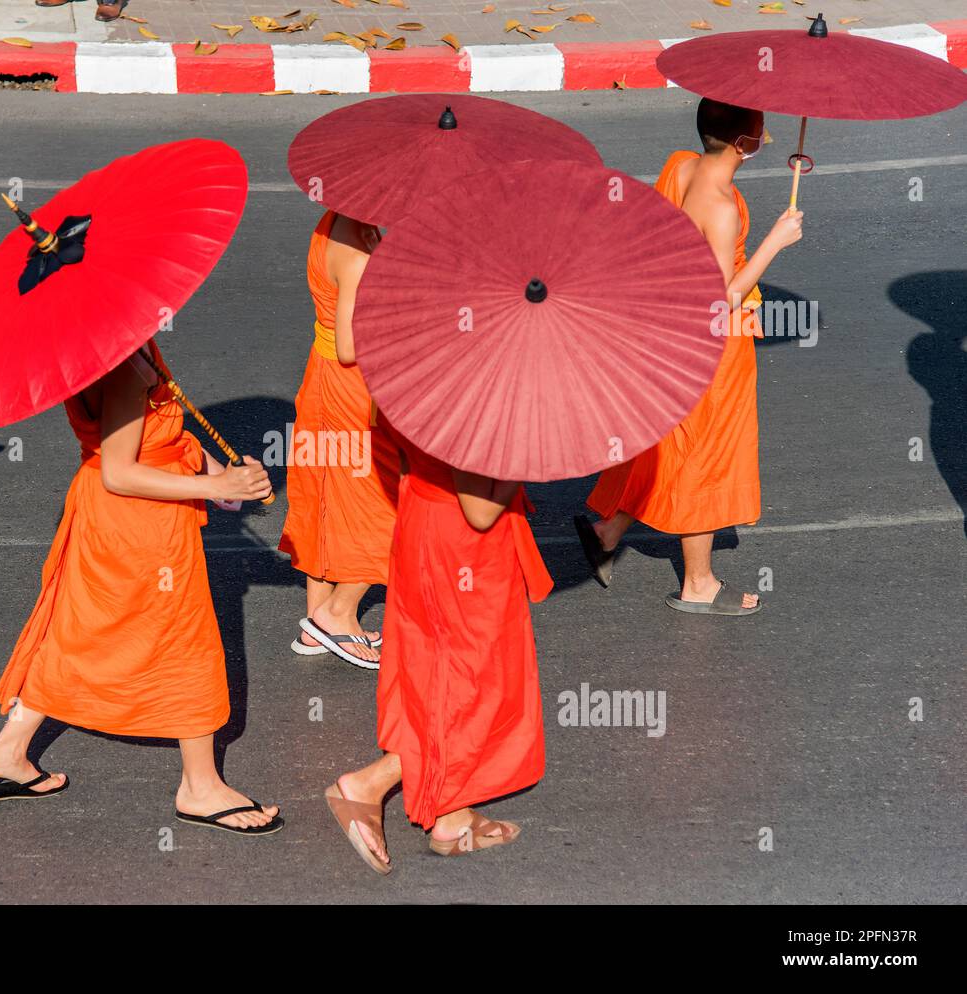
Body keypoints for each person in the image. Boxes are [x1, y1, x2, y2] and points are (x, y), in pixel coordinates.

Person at [0, 340, 283, 835]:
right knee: (184, 643)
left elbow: (157, 446)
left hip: (106, 517)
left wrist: (223, 475)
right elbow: (121, 472)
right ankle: (200, 787)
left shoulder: (111, 350)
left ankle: (9, 750)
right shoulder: (122, 368)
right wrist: (217, 488)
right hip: (140, 524)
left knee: (82, 631)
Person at [575, 98, 804, 617]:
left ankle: (606, 532)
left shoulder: (680, 166)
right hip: (712, 346)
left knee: (671, 443)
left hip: (669, 333)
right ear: (746, 144)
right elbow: (721, 298)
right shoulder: (722, 208)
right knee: (707, 454)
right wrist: (774, 242)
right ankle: (698, 583)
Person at [325, 430, 552, 874]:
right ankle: (368, 785)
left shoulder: (422, 377)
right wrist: (524, 461)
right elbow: (481, 510)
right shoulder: (469, 402)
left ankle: (452, 814)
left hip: (422, 519)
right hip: (463, 544)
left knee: (440, 675)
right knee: (472, 679)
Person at [278, 210, 400, 669]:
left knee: (324, 490)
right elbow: (352, 347)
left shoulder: (330, 223)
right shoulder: (358, 257)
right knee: (384, 501)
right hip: (355, 389)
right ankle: (339, 612)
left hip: (322, 375)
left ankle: (316, 619)